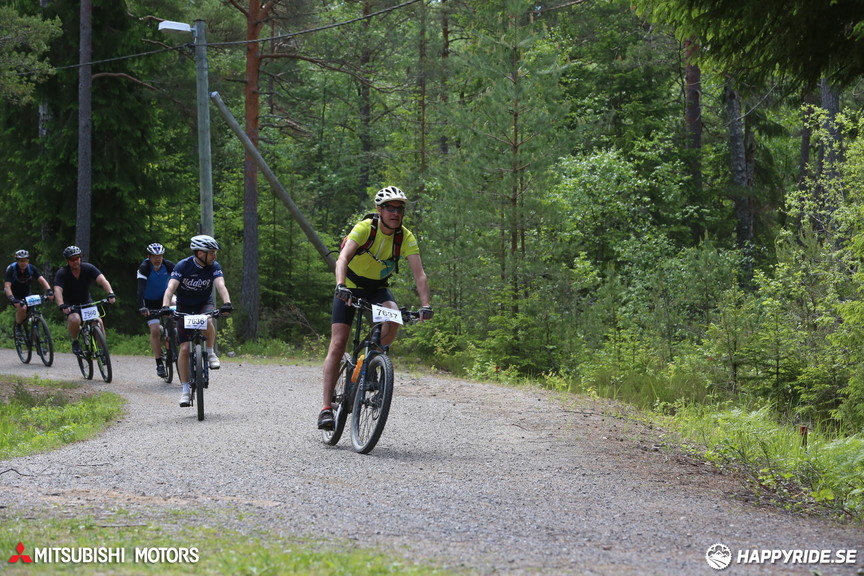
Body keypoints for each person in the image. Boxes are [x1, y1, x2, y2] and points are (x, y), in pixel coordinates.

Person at [318, 186, 433, 430]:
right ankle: (326, 408)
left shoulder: (405, 237)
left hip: (377, 288)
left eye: (399, 209)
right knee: (338, 343)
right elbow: (342, 259)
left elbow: (419, 275)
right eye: (390, 208)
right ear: (380, 210)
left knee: (394, 320)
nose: (395, 213)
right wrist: (340, 286)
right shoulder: (364, 229)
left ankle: (371, 362)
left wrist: (426, 305)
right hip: (349, 286)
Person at [160, 235, 233, 407]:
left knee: (207, 320)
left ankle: (210, 352)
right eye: (211, 253)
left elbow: (220, 285)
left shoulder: (214, 266)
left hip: (203, 304)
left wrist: (227, 303)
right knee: (184, 349)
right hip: (184, 306)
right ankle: (185, 390)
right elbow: (171, 287)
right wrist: (165, 306)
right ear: (200, 253)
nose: (214, 256)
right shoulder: (183, 266)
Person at [53, 245, 116, 356]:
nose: (75, 261)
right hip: (70, 303)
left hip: (86, 301)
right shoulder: (62, 273)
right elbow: (57, 290)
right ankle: (75, 340)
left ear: (80, 258)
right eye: (72, 259)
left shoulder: (88, 268)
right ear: (67, 261)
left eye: (77, 258)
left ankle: (102, 350)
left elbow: (102, 280)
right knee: (75, 319)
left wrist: (110, 293)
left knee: (98, 322)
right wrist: (61, 304)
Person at [136, 243, 176, 379]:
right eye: (154, 256)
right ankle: (159, 362)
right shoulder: (144, 268)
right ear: (148, 257)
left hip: (165, 298)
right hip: (149, 302)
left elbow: (179, 281)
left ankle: (174, 333)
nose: (158, 259)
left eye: (160, 256)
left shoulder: (169, 265)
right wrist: (142, 306)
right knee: (154, 330)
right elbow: (140, 290)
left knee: (178, 306)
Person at [4, 250, 54, 336]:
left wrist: (49, 291)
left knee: (33, 316)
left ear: (28, 261)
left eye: (25, 260)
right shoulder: (11, 269)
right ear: (17, 261)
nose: (23, 263)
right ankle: (18, 326)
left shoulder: (31, 268)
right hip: (14, 295)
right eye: (20, 261)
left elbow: (42, 280)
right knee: (23, 308)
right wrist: (12, 299)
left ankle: (36, 343)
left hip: (27, 294)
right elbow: (7, 286)